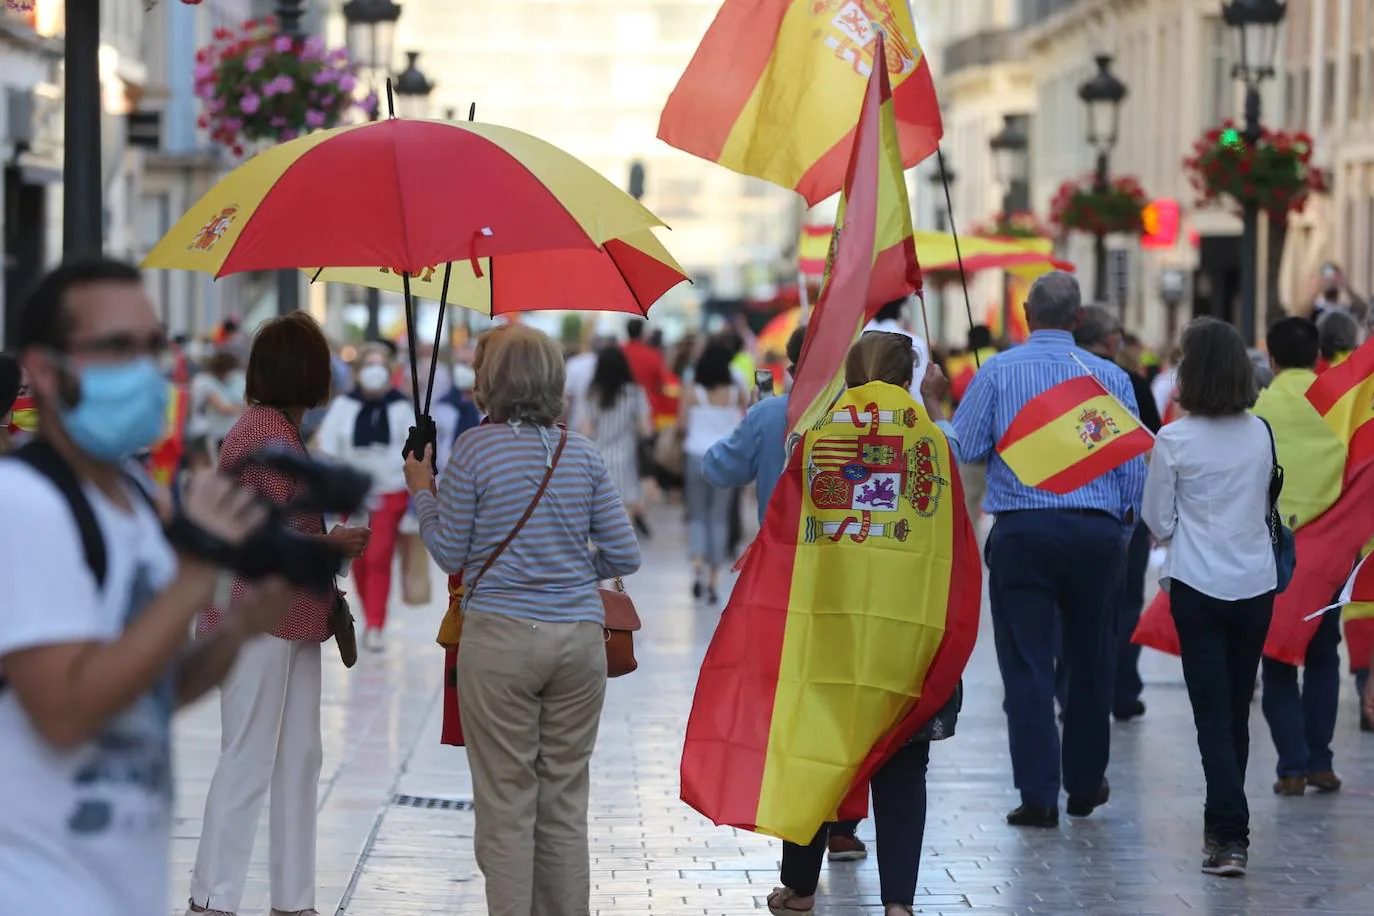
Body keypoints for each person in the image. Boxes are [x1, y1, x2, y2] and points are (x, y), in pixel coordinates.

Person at [0, 258, 291, 916]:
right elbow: (66, 712)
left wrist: (241, 626)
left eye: (152, 344)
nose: (145, 368)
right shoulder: (21, 506)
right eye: (115, 347)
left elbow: (149, 689)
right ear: (46, 372)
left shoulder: (133, 496)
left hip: (117, 888)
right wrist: (195, 577)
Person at [404, 324, 641, 916]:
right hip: (579, 643)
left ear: (492, 381)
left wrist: (422, 491)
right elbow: (625, 555)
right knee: (563, 801)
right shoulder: (580, 451)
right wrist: (567, 561)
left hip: (501, 643)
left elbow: (450, 551)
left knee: (507, 803)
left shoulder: (477, 451)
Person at [764, 332, 964, 916]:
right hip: (908, 632)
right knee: (905, 762)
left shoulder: (814, 440)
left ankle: (800, 888)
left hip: (832, 632)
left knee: (818, 754)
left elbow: (785, 531)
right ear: (908, 378)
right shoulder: (934, 441)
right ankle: (899, 902)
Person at [187, 312, 371, 916]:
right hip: (254, 619)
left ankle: (294, 900)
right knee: (250, 755)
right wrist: (333, 544)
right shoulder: (263, 433)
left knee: (299, 758)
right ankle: (213, 898)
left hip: (291, 618)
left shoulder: (278, 432)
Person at [947, 272, 1145, 828]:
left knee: (1028, 667)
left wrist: (941, 407)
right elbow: (1130, 466)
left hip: (1024, 535)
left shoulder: (997, 371)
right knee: (1092, 662)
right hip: (1096, 535)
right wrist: (1122, 534)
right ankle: (1085, 783)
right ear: (1079, 319)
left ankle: (1038, 795)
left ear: (1029, 314)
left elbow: (964, 445)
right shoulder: (1109, 377)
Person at [1142, 316, 1276, 877]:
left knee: (1211, 716)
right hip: (1255, 584)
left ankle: (1229, 833)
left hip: (1197, 585)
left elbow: (1157, 520)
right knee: (1236, 712)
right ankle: (1224, 822)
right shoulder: (1261, 432)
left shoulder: (1173, 439)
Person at [1251, 317, 1348, 796]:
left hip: (1276, 552)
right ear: (1317, 357)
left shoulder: (1260, 407)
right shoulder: (1339, 404)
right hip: (1332, 551)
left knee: (1278, 658)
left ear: (1270, 359)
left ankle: (1291, 766)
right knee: (1324, 654)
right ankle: (1321, 761)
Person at [1074, 305, 1162, 721]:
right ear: (1112, 341)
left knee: (1070, 606)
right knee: (1126, 604)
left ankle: (1069, 690)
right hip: (1126, 508)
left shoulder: (1066, 379)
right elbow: (1154, 446)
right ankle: (1123, 690)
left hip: (1072, 503)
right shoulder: (1133, 383)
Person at [315, 343, 412, 651]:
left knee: (379, 554)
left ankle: (375, 623)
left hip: (389, 491)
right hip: (352, 493)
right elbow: (327, 446)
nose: (374, 370)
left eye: (380, 364)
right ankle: (369, 613)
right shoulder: (345, 405)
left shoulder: (400, 406)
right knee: (358, 557)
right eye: (368, 364)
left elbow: (411, 448)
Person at [702, 326, 807, 525]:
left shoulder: (768, 414)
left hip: (781, 545)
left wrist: (754, 419)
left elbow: (715, 467)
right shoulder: (861, 413)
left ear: (792, 372)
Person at [681, 342, 747, 603]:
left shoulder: (692, 391)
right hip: (725, 457)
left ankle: (697, 567)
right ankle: (713, 581)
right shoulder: (734, 391)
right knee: (719, 518)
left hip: (696, 455)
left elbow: (681, 424)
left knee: (697, 515)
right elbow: (747, 411)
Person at [575, 345, 653, 535]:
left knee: (599, 518)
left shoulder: (591, 394)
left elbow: (584, 431)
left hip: (597, 462)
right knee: (625, 520)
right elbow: (646, 430)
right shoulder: (635, 393)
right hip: (625, 463)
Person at [188, 348, 246, 461]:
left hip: (235, 434)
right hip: (213, 434)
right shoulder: (203, 381)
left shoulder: (238, 378)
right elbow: (224, 409)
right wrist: (242, 408)